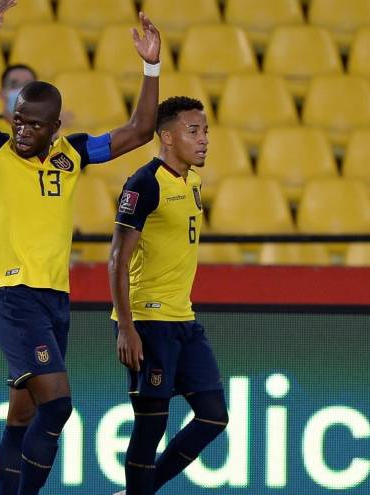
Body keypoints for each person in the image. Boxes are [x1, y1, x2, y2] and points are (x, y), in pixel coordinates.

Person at [0, 1, 161, 493]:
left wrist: (151, 66)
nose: (22, 131)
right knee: (58, 405)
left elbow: (140, 131)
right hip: (14, 297)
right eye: (18, 120)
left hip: (56, 300)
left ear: (55, 127)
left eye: (35, 125)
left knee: (24, 415)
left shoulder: (72, 153)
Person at [108, 96, 228, 495]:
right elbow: (116, 260)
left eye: (206, 131)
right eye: (193, 131)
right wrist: (126, 326)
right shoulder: (144, 183)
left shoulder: (193, 182)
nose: (204, 139)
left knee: (213, 417)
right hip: (148, 320)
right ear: (166, 137)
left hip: (184, 320)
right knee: (150, 428)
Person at [0, 64, 38, 134]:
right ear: (2, 94)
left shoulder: (49, 131)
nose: (22, 90)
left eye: (29, 85)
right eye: (14, 85)